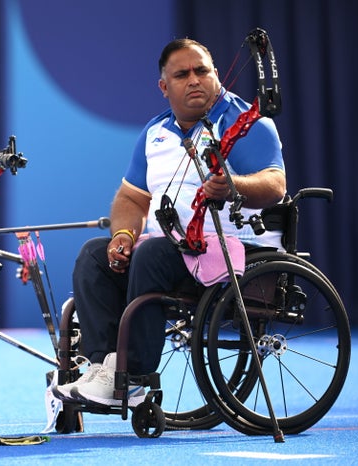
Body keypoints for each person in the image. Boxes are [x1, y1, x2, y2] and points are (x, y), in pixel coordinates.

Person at [53, 38, 286, 407]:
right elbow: (131, 197)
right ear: (165, 87)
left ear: (214, 74)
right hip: (176, 252)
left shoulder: (248, 123)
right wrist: (124, 236)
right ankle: (102, 367)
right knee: (94, 255)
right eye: (182, 74)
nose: (194, 80)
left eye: (202, 71)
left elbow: (275, 185)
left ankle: (135, 376)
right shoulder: (155, 133)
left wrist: (233, 186)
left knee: (154, 254)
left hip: (237, 250)